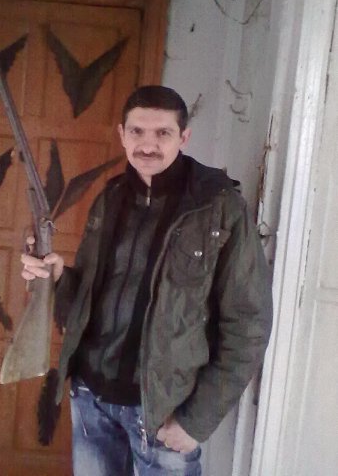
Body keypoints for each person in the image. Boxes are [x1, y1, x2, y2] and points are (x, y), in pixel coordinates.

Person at [21, 85, 273, 476]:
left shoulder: (221, 209)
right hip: (91, 399)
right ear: (122, 134)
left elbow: (249, 324)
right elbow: (85, 301)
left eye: (163, 133)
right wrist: (56, 277)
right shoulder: (110, 198)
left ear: (183, 137)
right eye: (137, 131)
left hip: (163, 411)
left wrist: (197, 420)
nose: (148, 145)